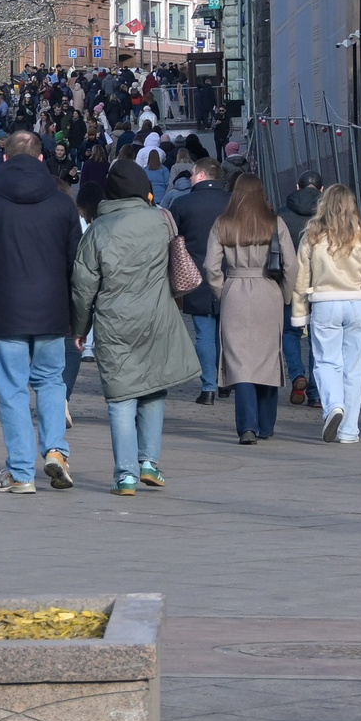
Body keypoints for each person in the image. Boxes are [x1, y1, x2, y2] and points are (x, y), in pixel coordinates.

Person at [0, 131, 83, 495]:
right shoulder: (62, 204)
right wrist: (82, 317)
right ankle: (56, 449)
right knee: (52, 381)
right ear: (42, 159)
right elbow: (78, 266)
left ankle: (22, 471)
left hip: (6, 309)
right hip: (54, 310)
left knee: (13, 390)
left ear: (5, 159)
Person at [69, 159, 200, 496]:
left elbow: (83, 286)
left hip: (114, 323)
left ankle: (125, 475)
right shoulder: (161, 221)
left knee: (121, 398)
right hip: (158, 317)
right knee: (155, 389)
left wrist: (80, 327)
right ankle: (149, 462)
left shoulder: (98, 229)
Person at [290, 184, 361, 446]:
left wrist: (300, 314)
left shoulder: (312, 236)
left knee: (326, 362)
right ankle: (349, 431)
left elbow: (301, 279)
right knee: (354, 368)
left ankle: (333, 406)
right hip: (358, 304)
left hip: (325, 303)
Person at [205, 173, 287, 445]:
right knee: (267, 359)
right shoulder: (275, 222)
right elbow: (293, 265)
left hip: (235, 290)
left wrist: (222, 291)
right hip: (267, 290)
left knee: (240, 361)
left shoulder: (223, 223)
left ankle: (247, 427)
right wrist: (284, 295)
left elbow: (211, 266)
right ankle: (266, 424)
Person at [168, 157, 227, 403]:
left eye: (193, 174)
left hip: (196, 276)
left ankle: (209, 386)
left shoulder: (182, 203)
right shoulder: (233, 201)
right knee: (226, 334)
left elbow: (171, 238)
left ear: (201, 175)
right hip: (230, 274)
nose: (191, 178)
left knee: (203, 333)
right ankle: (226, 380)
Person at [277, 173, 323, 408]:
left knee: (290, 332)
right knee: (319, 336)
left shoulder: (281, 215)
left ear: (298, 186)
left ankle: (298, 375)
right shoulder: (328, 218)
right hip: (322, 285)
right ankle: (315, 393)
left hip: (290, 282)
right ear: (321, 189)